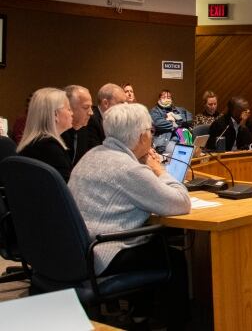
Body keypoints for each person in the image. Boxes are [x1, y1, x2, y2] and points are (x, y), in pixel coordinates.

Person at [68, 103, 191, 329]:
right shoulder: (129, 169)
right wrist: (159, 170)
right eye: (151, 132)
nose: (151, 137)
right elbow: (181, 203)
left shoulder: (92, 155)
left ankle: (140, 315)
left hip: (77, 250)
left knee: (149, 243)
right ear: (141, 136)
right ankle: (176, 324)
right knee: (172, 257)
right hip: (102, 253)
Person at [16, 87, 73, 182]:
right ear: (55, 114)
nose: (72, 113)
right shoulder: (51, 149)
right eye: (69, 109)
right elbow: (68, 189)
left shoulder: (32, 144)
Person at [85, 83, 127, 148]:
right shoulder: (91, 120)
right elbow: (96, 151)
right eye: (121, 103)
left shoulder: (114, 120)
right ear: (105, 103)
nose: (125, 106)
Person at [60, 85, 94, 165]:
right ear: (68, 108)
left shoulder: (84, 129)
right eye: (86, 107)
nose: (91, 113)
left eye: (91, 107)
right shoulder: (57, 135)